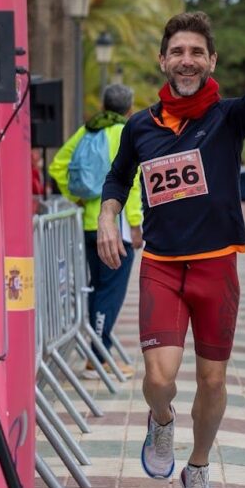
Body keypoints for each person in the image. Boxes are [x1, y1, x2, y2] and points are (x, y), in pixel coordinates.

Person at [97, 2, 245, 488]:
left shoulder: (229, 117)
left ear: (212, 61)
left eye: (196, 52)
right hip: (161, 265)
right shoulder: (140, 125)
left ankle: (197, 468)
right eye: (177, 51)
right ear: (162, 61)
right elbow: (118, 177)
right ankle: (160, 422)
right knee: (159, 378)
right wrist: (109, 215)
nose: (187, 59)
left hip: (217, 264)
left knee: (212, 379)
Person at [50, 84, 144, 379]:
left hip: (89, 224)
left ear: (104, 105)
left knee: (96, 288)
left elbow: (57, 166)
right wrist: (135, 223)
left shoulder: (87, 130)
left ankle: (96, 352)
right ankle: (98, 358)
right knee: (110, 292)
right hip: (116, 229)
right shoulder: (126, 132)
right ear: (129, 109)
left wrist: (77, 196)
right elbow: (133, 181)